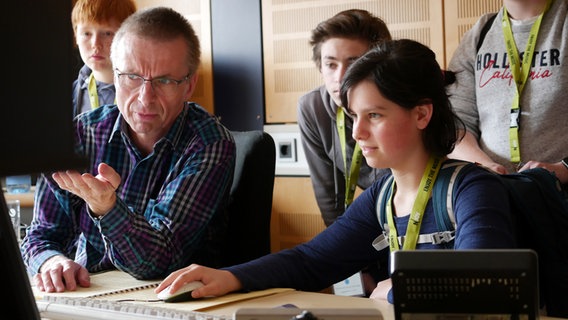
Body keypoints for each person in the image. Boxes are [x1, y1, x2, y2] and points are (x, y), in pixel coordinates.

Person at [155, 39, 516, 303]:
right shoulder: (383, 195)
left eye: (374, 115)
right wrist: (230, 276)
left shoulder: (472, 188)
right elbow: (312, 260)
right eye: (354, 116)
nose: (357, 133)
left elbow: (482, 283)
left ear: (422, 114)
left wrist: (398, 289)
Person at [21, 7, 236, 293]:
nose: (145, 98)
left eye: (164, 81)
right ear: (115, 74)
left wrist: (107, 208)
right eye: (132, 77)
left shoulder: (209, 144)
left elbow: (158, 261)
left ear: (189, 85)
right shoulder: (81, 133)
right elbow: (40, 235)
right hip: (87, 296)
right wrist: (52, 262)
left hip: (170, 303)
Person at [447, 0, 568, 185]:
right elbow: (456, 125)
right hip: (494, 195)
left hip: (557, 198)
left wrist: (564, 169)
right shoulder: (480, 33)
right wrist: (486, 167)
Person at [298, 9, 392, 228]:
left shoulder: (403, 103)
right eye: (331, 65)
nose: (340, 78)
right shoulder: (313, 108)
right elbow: (330, 199)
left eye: (354, 63)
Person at [71, 0, 137, 117]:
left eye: (107, 33)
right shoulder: (71, 93)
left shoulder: (141, 92)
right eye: (87, 34)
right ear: (76, 36)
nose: (95, 44)